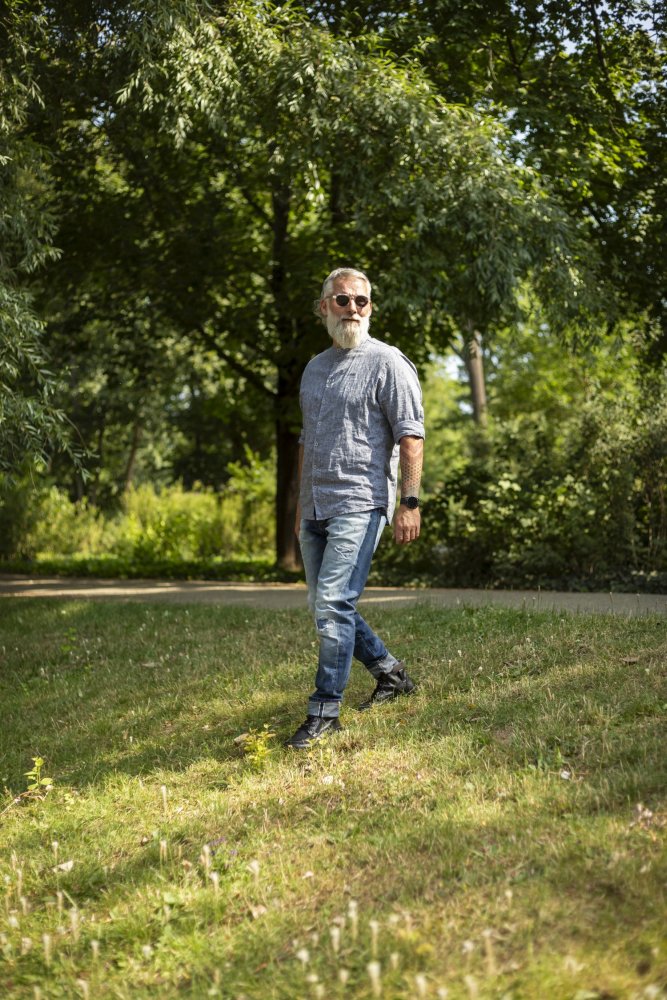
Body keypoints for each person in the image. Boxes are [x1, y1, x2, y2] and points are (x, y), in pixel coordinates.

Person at [286, 267, 425, 750]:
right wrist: (301, 507)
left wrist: (409, 502)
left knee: (332, 603)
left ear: (371, 308)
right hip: (315, 504)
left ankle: (324, 712)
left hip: (361, 501)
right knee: (327, 604)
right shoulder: (313, 368)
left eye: (361, 301)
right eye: (342, 300)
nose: (353, 309)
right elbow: (308, 440)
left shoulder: (388, 363)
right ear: (324, 307)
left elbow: (411, 436)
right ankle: (391, 675)